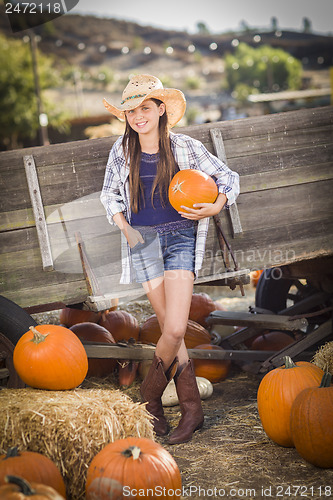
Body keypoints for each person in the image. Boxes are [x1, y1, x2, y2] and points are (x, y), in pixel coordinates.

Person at [100, 74, 239, 444]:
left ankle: (149, 399)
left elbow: (228, 178)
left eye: (145, 108)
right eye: (131, 110)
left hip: (180, 238)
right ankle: (192, 410)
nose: (138, 116)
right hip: (142, 241)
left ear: (162, 109)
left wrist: (215, 206)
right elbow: (109, 195)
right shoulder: (122, 151)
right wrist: (124, 227)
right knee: (170, 332)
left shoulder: (185, 147)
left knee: (176, 329)